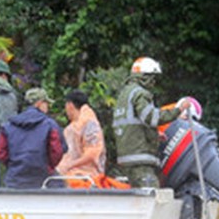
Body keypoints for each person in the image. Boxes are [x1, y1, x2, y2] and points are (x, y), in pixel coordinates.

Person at [111, 57, 190, 187]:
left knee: (140, 198)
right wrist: (178, 110)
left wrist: (154, 135)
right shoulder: (140, 94)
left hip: (127, 156)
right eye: (152, 77)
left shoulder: (124, 95)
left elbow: (132, 124)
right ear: (145, 76)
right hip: (139, 157)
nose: (153, 82)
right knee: (152, 197)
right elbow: (152, 117)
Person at [0, 88, 64, 189]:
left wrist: (14, 165)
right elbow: (57, 151)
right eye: (46, 103)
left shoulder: (9, 126)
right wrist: (48, 167)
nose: (48, 107)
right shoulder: (50, 125)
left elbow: (1, 152)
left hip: (15, 179)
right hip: (43, 179)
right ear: (39, 103)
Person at [54, 89, 107, 186]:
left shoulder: (89, 124)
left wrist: (70, 165)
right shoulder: (76, 124)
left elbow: (92, 154)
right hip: (71, 176)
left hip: (85, 177)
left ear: (70, 105)